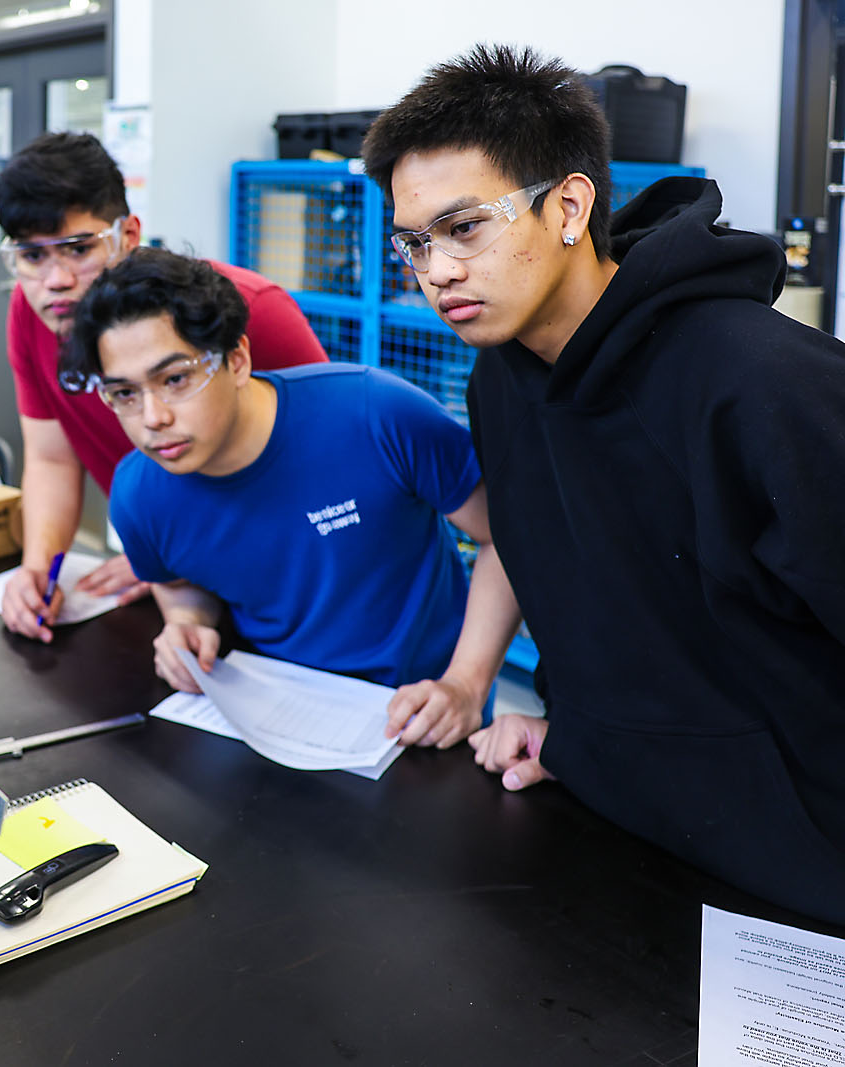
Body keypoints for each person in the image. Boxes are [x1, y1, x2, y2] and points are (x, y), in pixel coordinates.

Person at [361, 45, 845, 922]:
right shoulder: (499, 375)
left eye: (465, 227)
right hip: (615, 830)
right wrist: (569, 732)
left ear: (570, 206)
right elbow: (581, 579)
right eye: (415, 243)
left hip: (803, 870)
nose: (436, 271)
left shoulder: (764, 381)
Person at [69, 248, 522, 748]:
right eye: (125, 395)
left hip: (425, 714)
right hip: (279, 718)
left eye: (175, 379)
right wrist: (186, 622)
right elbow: (179, 579)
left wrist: (466, 682)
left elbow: (508, 537)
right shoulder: (139, 496)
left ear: (236, 360)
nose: (152, 418)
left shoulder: (375, 414)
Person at [0, 132, 330, 642]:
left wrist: (172, 551)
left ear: (128, 233)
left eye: (79, 249)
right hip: (180, 593)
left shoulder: (250, 310)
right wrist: (40, 570)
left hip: (290, 579)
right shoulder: (31, 314)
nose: (56, 280)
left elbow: (326, 465)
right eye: (32, 257)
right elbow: (51, 458)